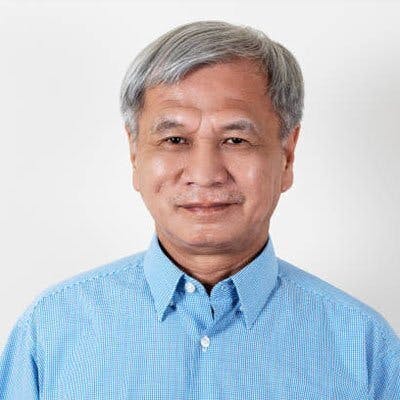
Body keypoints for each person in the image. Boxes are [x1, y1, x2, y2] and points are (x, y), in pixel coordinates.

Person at [0, 20, 399, 399]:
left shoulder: (364, 348)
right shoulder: (51, 331)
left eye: (236, 140)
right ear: (135, 154)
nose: (205, 175)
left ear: (287, 155)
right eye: (175, 140)